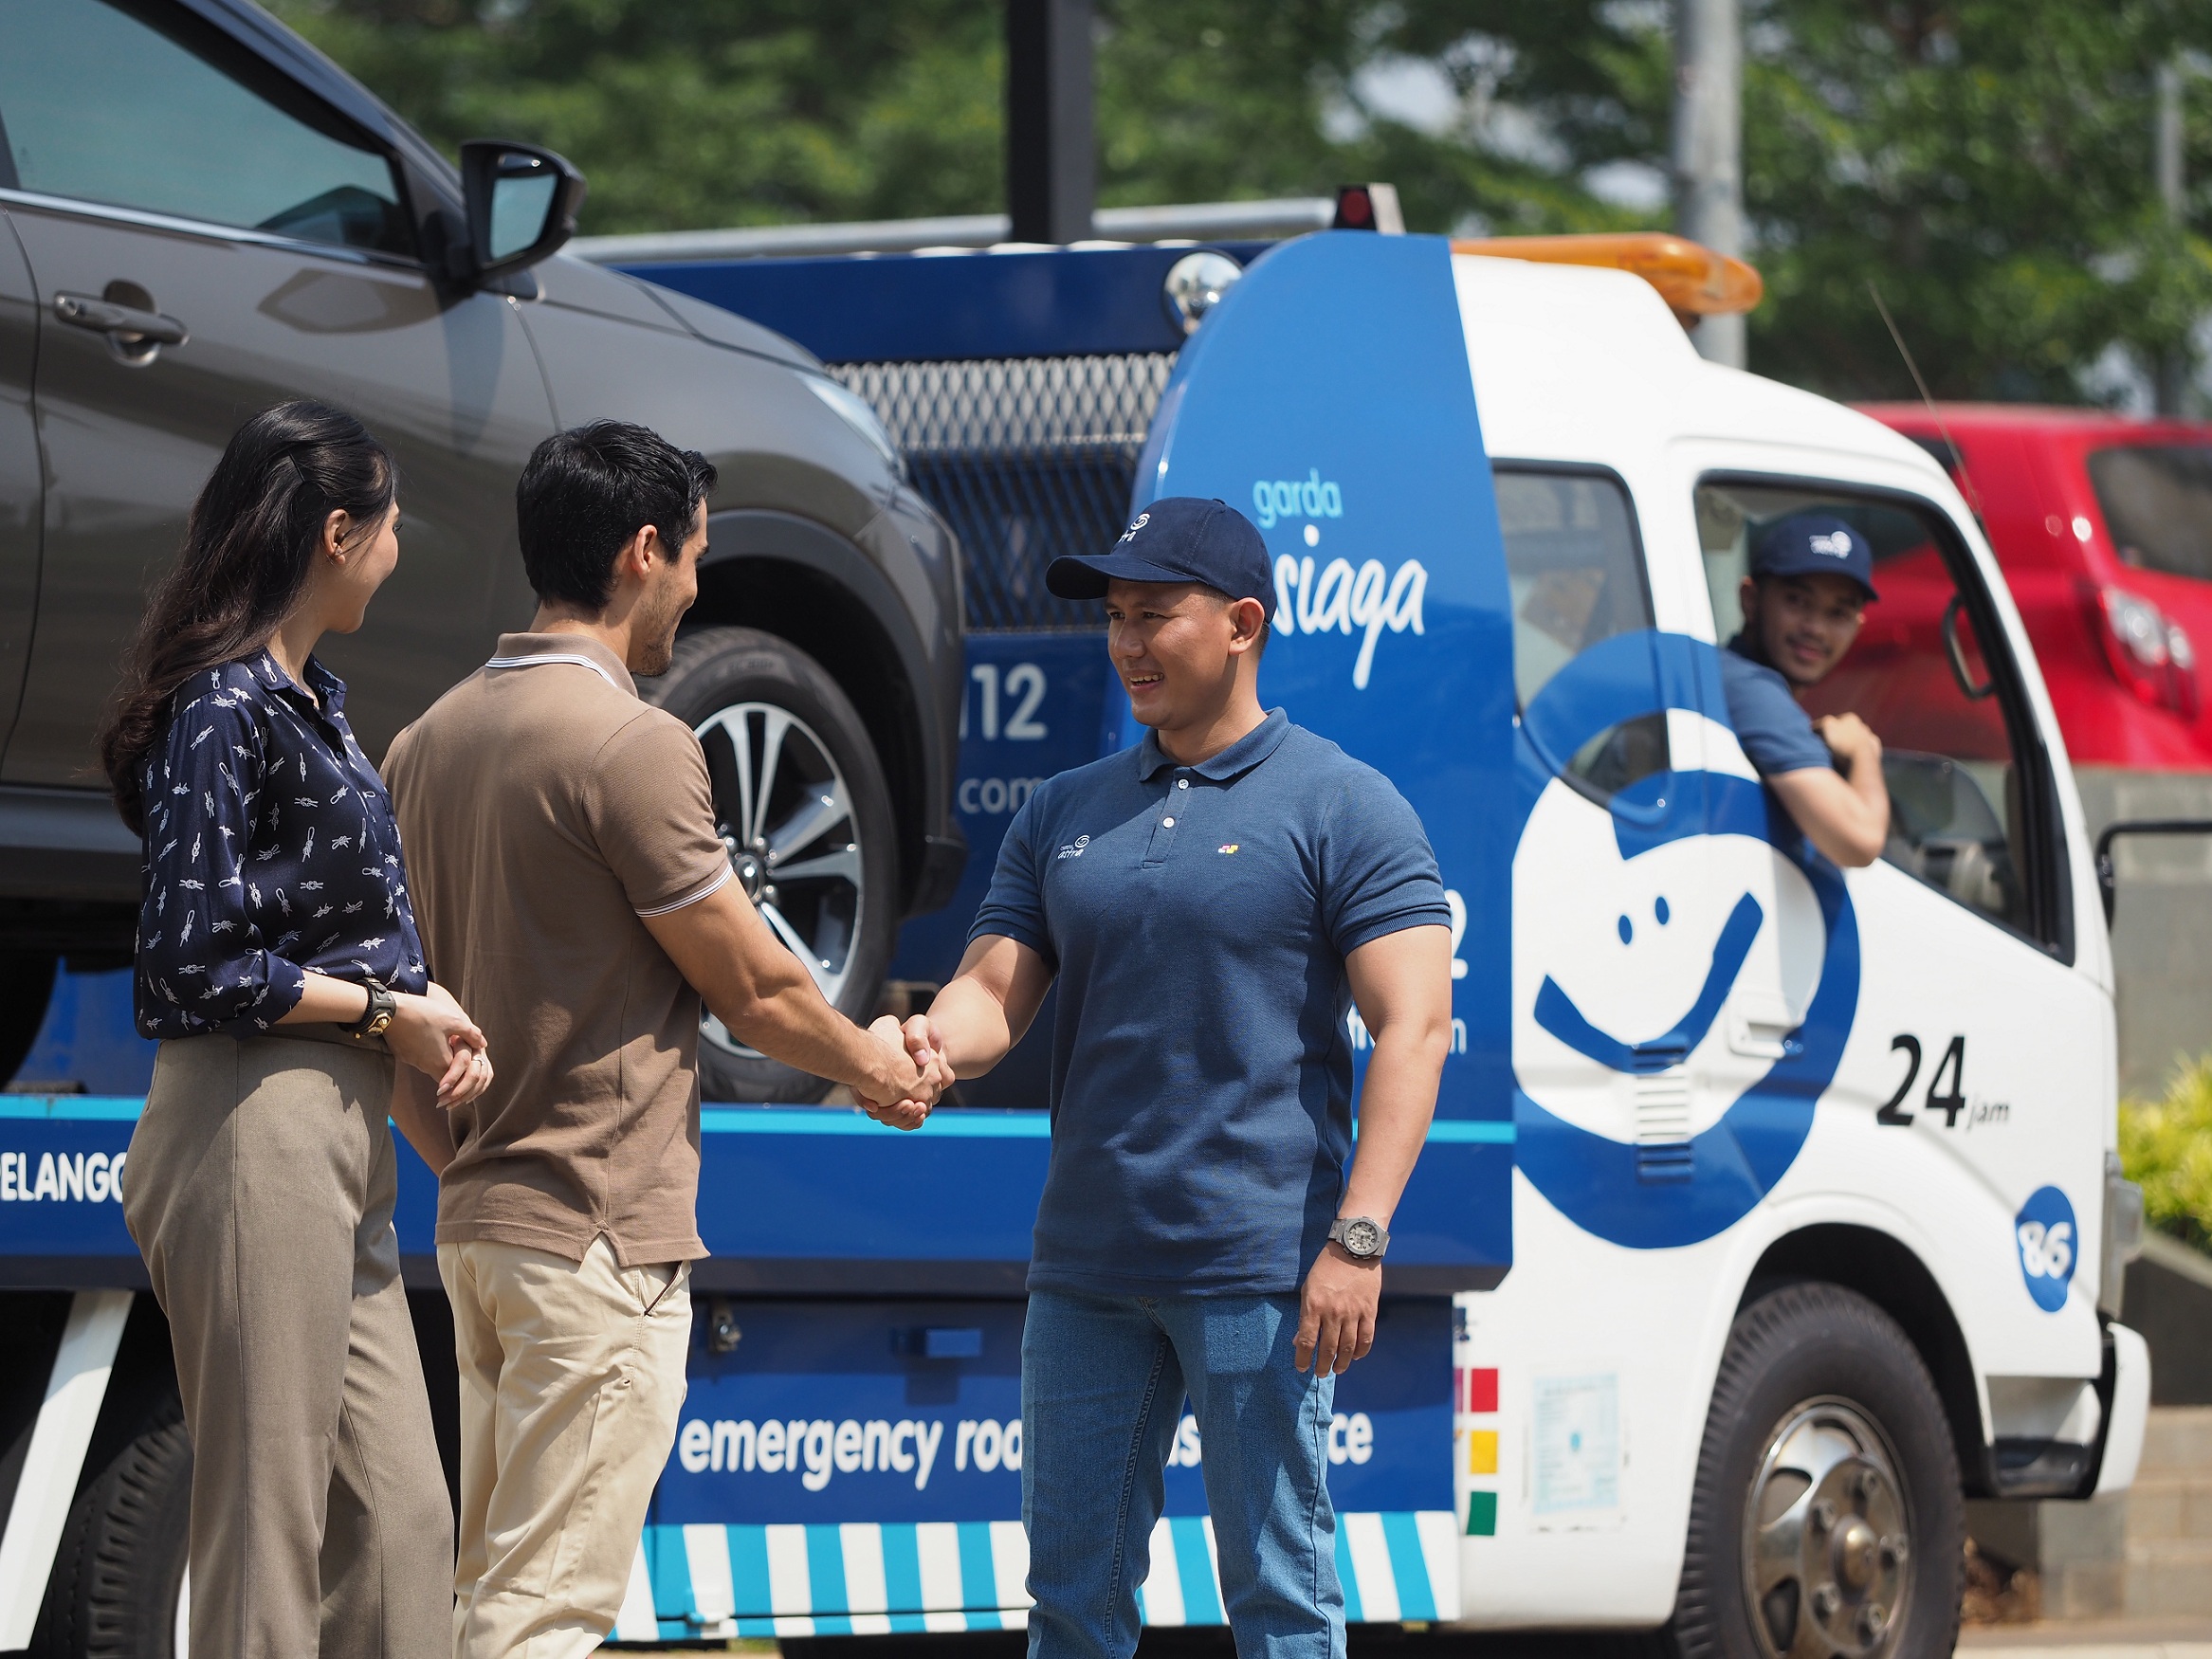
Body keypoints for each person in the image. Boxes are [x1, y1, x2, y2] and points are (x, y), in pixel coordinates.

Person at [382, 420, 937, 1658]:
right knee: (543, 1614)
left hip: (479, 1228)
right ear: (643, 550)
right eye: (694, 555)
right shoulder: (634, 745)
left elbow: (400, 1021)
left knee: (493, 1591)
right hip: (597, 1237)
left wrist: (474, 1171)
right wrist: (878, 1070)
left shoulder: (424, 741)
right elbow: (754, 988)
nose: (695, 585)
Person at [877, 498, 1454, 1659]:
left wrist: (1356, 1240)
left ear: (1241, 623)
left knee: (1279, 1600)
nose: (1125, 642)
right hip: (1084, 1269)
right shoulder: (1062, 807)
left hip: (1256, 1270)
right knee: (1069, 1602)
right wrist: (926, 1049)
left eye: (1153, 614)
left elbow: (1415, 1025)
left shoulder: (1342, 801)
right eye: (1113, 617)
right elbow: (991, 992)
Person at [100, 400, 494, 1659]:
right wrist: (390, 1010)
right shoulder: (223, 705)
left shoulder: (308, 700)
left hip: (336, 1129)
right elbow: (190, 961)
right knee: (269, 1532)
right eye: (390, 526)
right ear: (336, 531)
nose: (396, 552)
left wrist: (420, 1008)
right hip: (249, 1120)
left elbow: (329, 931)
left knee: (400, 1522)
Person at [1721, 512, 1892, 867]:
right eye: (1798, 601)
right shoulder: (1748, 689)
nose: (1816, 628)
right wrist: (1863, 750)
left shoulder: (1735, 679)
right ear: (1750, 599)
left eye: (1837, 614)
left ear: (1857, 627)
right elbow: (1860, 840)